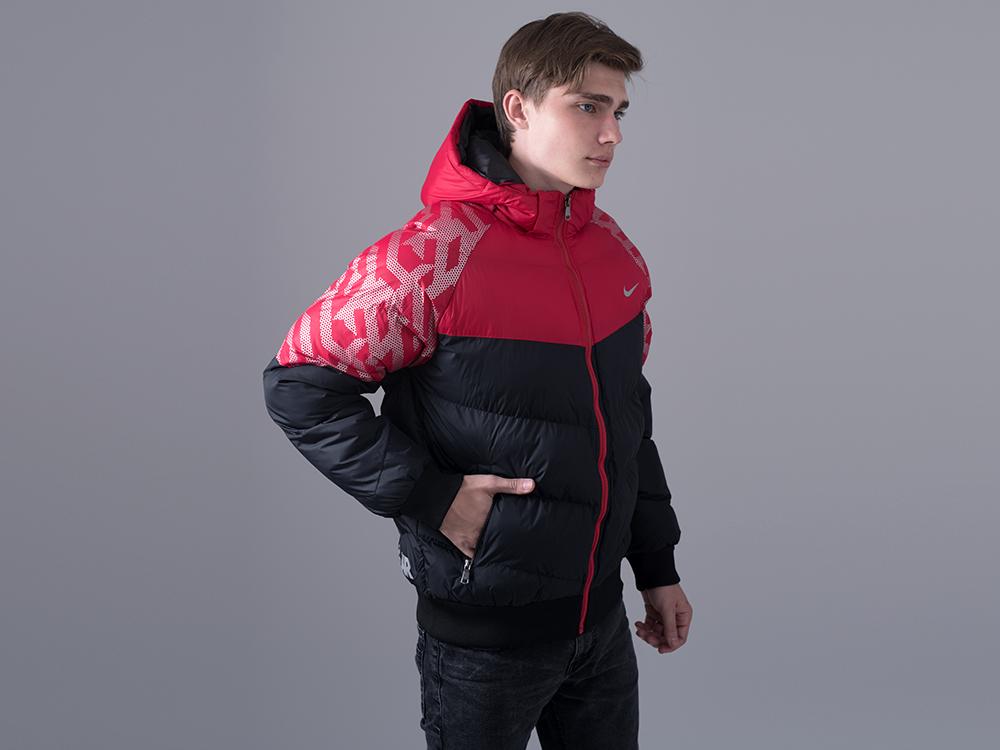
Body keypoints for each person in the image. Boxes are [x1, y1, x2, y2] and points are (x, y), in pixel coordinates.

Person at [262, 11, 692, 749]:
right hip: (484, 640)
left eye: (619, 112)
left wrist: (656, 565)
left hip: (602, 624)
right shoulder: (432, 256)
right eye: (587, 106)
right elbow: (299, 385)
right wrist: (432, 496)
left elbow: (628, 418)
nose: (611, 134)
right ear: (518, 108)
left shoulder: (613, 251)